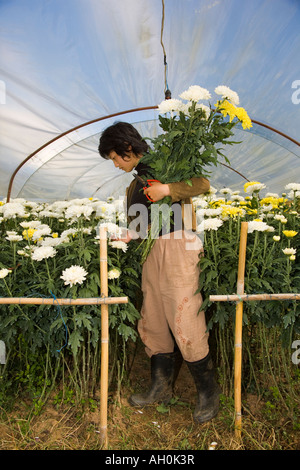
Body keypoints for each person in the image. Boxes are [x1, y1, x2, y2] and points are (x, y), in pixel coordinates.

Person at [98, 121, 220, 424]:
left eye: (114, 157)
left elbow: (202, 183)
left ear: (128, 148)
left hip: (179, 247)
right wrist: (131, 235)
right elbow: (145, 224)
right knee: (152, 318)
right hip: (151, 252)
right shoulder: (135, 183)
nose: (114, 164)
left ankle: (208, 392)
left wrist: (168, 188)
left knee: (185, 316)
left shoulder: (165, 162)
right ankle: (161, 388)